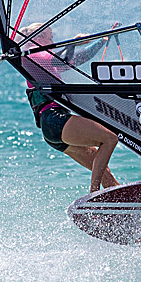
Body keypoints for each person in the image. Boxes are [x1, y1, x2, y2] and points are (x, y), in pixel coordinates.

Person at [17, 22, 120, 193]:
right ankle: (94, 194)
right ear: (38, 38)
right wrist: (73, 43)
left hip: (53, 128)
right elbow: (62, 60)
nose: (53, 42)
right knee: (110, 139)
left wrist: (101, 40)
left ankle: (122, 202)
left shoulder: (41, 61)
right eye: (50, 38)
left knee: (103, 170)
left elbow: (77, 59)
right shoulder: (33, 54)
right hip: (55, 119)